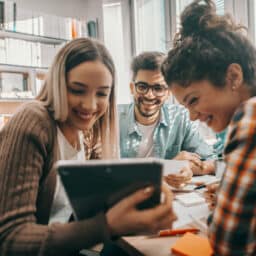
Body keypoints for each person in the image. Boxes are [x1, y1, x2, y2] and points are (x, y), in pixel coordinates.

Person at [0, 38, 176, 256]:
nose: (90, 105)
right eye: (77, 90)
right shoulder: (34, 120)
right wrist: (106, 226)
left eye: (102, 94)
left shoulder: (86, 130)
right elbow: (10, 238)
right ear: (57, 84)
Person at [161, 0, 256, 254]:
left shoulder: (251, 116)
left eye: (194, 100)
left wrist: (225, 206)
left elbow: (227, 243)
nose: (192, 117)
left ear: (233, 77)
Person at [118, 51, 217, 177]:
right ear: (132, 88)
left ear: (168, 92)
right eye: (142, 87)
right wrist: (170, 167)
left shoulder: (181, 117)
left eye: (158, 88)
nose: (149, 95)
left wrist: (186, 168)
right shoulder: (112, 120)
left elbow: (213, 161)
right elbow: (105, 171)